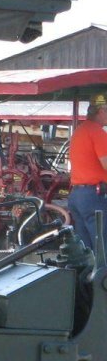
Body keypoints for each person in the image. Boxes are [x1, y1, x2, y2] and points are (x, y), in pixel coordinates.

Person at [66, 93, 107, 251]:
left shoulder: (79, 131)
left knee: (86, 249)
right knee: (102, 247)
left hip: (77, 196)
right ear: (102, 111)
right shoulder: (98, 133)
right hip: (94, 197)